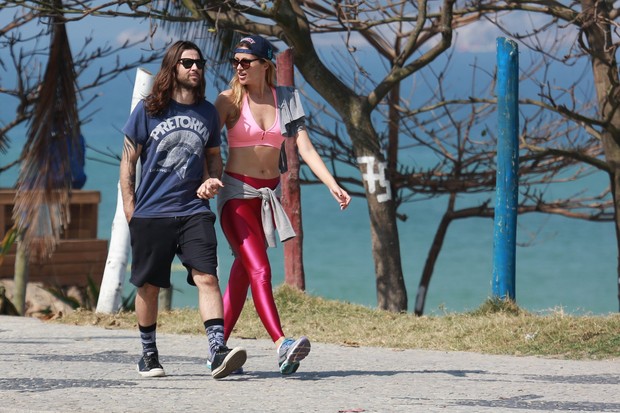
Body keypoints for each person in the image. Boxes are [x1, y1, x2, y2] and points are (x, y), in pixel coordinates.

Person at [214, 35, 351, 375]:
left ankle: (217, 351)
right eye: (236, 61)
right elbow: (204, 144)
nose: (239, 67)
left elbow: (303, 147)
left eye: (247, 61)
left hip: (267, 198)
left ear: (265, 64)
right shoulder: (228, 100)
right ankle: (282, 344)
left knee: (244, 273)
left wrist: (333, 184)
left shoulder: (286, 98)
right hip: (236, 195)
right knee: (259, 269)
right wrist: (202, 180)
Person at [120, 40, 246, 379]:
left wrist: (213, 181)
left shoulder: (207, 112)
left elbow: (214, 158)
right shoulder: (149, 109)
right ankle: (148, 354)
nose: (195, 68)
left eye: (199, 63)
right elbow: (128, 161)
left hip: (194, 210)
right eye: (188, 62)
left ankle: (218, 349)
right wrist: (131, 209)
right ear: (173, 67)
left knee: (207, 276)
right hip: (152, 212)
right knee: (148, 286)